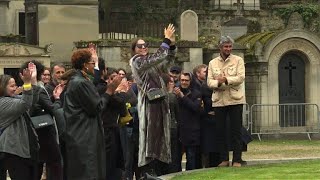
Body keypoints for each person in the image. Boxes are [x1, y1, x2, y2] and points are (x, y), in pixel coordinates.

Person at [63, 48, 121, 179]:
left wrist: (94, 59)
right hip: (85, 136)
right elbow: (97, 107)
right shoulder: (80, 82)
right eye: (91, 63)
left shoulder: (77, 80)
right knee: (88, 173)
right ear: (84, 65)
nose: (93, 65)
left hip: (80, 134)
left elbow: (92, 82)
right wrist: (110, 90)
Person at [130, 23, 176, 177]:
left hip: (160, 102)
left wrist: (173, 46)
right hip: (149, 104)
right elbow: (159, 56)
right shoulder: (137, 61)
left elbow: (167, 61)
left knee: (161, 136)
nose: (143, 47)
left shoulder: (151, 62)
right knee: (150, 137)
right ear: (134, 50)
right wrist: (166, 40)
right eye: (139, 46)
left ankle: (158, 170)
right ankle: (147, 172)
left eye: (145, 45)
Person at [207, 35, 246, 167]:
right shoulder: (212, 63)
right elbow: (209, 82)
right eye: (226, 46)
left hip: (235, 99)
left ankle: (237, 159)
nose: (228, 49)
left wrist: (227, 80)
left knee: (236, 131)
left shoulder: (238, 60)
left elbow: (240, 77)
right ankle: (224, 159)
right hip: (219, 100)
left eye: (230, 46)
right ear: (220, 47)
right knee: (220, 131)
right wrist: (219, 82)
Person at [20, 60, 63, 180]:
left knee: (38, 164)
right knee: (55, 163)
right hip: (45, 131)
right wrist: (58, 99)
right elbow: (52, 108)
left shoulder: (27, 88)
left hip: (35, 131)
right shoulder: (39, 88)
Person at [0, 63, 40, 180]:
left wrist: (33, 81)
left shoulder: (12, 99)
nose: (15, 87)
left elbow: (32, 100)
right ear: (2, 87)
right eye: (12, 86)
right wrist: (27, 84)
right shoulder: (3, 102)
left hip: (25, 150)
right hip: (14, 152)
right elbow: (25, 103)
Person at [173, 72, 202, 170]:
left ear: (190, 81)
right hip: (178, 129)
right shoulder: (175, 92)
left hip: (191, 130)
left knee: (191, 156)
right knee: (177, 158)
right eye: (182, 80)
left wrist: (182, 97)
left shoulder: (196, 93)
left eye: (186, 80)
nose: (184, 82)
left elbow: (195, 108)